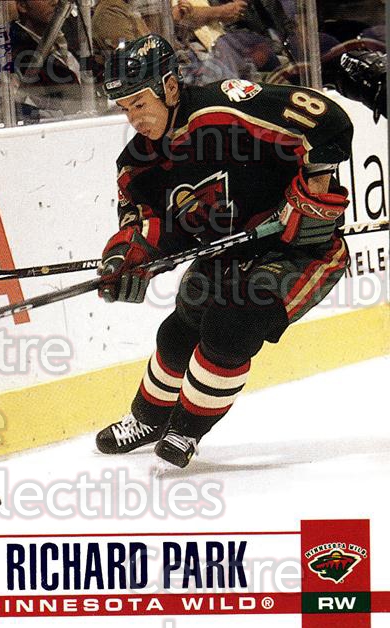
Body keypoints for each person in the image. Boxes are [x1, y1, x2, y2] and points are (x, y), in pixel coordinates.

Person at [95, 34, 353, 468]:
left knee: (232, 324)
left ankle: (185, 429)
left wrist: (315, 188)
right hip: (225, 253)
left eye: (140, 103)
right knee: (178, 332)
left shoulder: (225, 108)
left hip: (296, 253)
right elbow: (146, 225)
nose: (134, 118)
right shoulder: (137, 163)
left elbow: (327, 119)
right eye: (125, 108)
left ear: (169, 87)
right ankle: (148, 419)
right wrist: (127, 257)